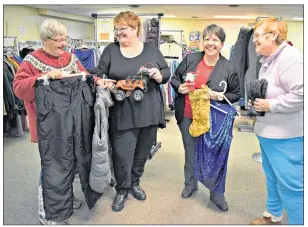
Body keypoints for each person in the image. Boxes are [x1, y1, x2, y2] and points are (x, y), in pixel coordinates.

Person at [13, 19, 105, 225]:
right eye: (59, 40)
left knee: (71, 161)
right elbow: (19, 88)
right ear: (44, 40)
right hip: (49, 125)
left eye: (66, 40)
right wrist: (43, 78)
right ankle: (48, 211)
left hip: (72, 122)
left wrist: (99, 81)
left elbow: (84, 75)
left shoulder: (70, 58)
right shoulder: (31, 60)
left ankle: (65, 199)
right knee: (53, 165)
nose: (64, 44)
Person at [97, 11, 170, 212]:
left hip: (148, 111)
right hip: (122, 112)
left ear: (135, 29)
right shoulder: (110, 50)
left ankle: (135, 183)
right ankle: (122, 189)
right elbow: (99, 73)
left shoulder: (152, 50)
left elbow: (166, 72)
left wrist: (158, 74)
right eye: (117, 29)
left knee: (141, 152)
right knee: (122, 153)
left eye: (123, 29)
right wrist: (102, 81)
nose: (119, 33)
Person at [171, 24, 240, 211]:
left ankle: (216, 194)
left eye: (215, 40)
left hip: (214, 121)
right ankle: (190, 185)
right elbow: (174, 78)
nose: (210, 43)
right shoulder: (191, 59)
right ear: (202, 42)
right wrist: (179, 87)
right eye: (207, 39)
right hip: (188, 115)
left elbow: (236, 94)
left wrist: (218, 96)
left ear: (222, 43)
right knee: (190, 151)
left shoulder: (229, 67)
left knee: (214, 156)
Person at [249, 18, 303, 225]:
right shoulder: (268, 60)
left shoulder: (290, 58)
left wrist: (271, 105)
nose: (254, 40)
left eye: (258, 36)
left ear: (274, 35)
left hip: (286, 136)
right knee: (273, 179)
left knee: (292, 186)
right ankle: (273, 216)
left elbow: (302, 94)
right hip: (268, 133)